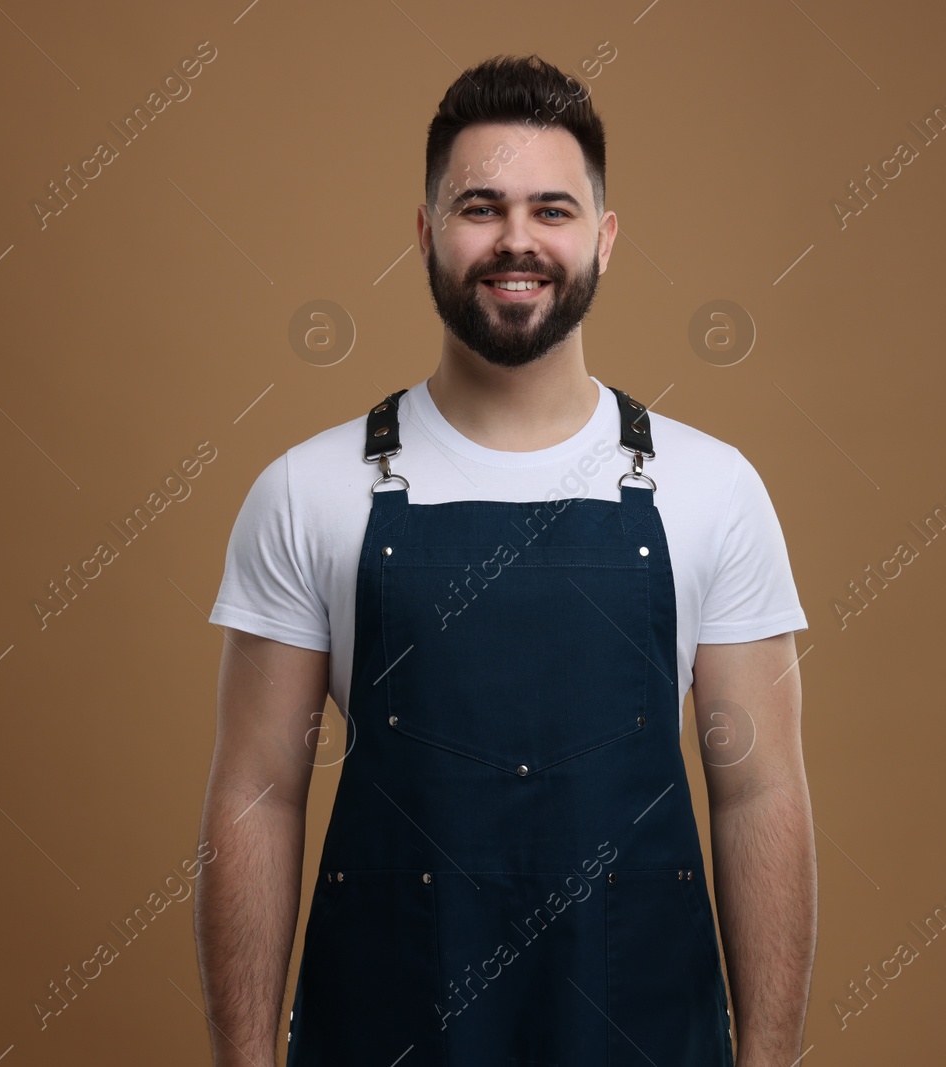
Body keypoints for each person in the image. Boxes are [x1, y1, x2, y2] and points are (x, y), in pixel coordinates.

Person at [195, 53, 815, 1067]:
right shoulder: (309, 491)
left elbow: (761, 795)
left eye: (552, 209)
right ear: (427, 233)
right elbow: (256, 794)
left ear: (604, 240)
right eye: (479, 207)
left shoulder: (715, 489)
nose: (516, 239)